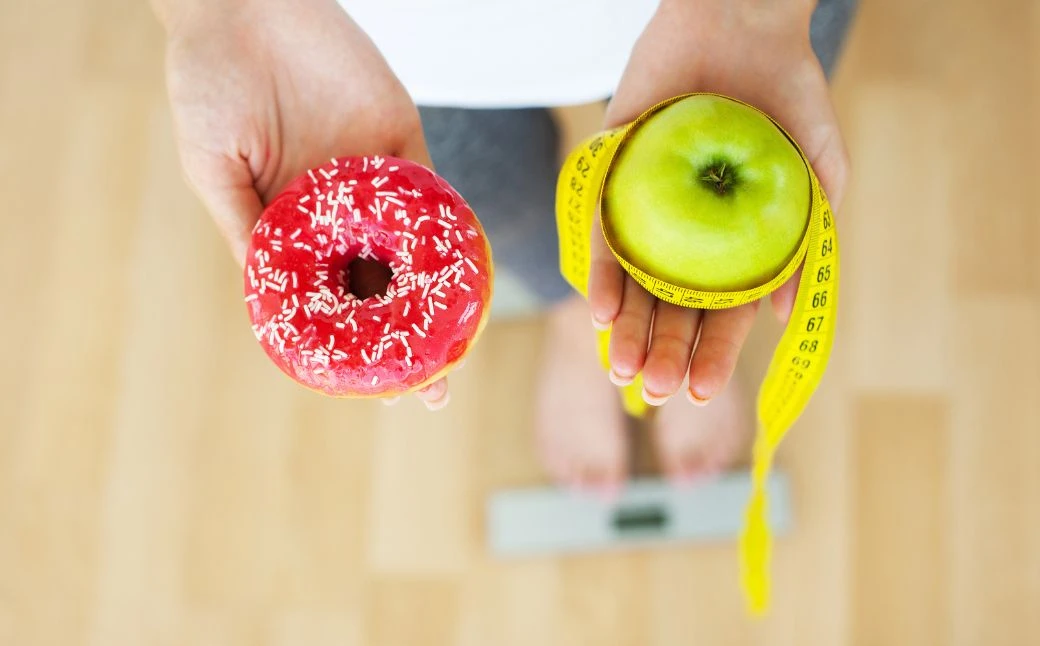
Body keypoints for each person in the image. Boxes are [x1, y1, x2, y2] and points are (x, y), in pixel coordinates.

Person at [152, 0, 854, 497]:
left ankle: (643, 296)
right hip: (360, 35)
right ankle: (575, 315)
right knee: (493, 195)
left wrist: (756, 10)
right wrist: (221, 12)